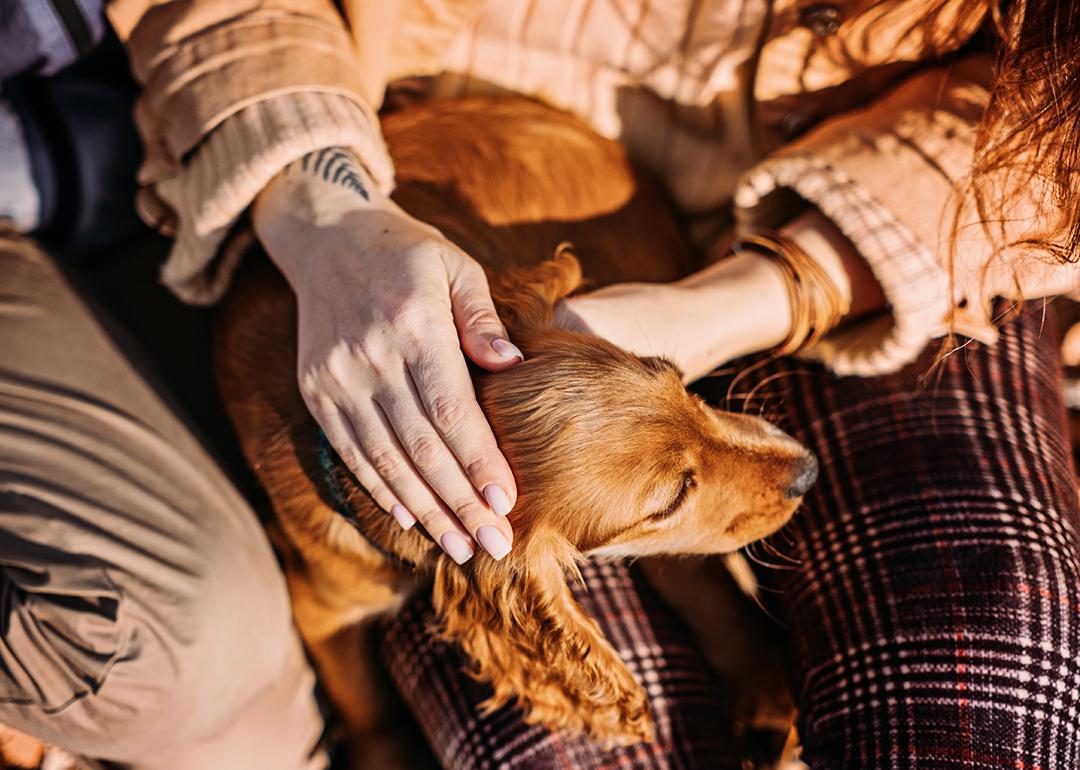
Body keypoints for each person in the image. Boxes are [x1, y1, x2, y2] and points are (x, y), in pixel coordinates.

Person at [2, 0, 1079, 768]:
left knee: (984, 661)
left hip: (870, 220)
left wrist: (745, 299)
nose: (784, 466)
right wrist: (314, 198)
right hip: (374, 163)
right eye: (675, 492)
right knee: (554, 745)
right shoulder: (490, 555)